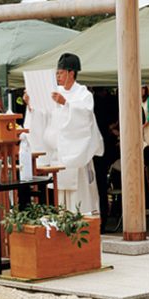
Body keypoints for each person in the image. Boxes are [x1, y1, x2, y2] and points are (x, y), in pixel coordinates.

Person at [24, 53, 105, 214]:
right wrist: (31, 105)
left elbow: (85, 116)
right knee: (60, 198)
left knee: (79, 199)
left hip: (76, 156)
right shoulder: (54, 92)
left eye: (60, 73)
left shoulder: (83, 94)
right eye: (56, 73)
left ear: (71, 73)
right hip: (57, 155)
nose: (57, 77)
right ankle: (62, 222)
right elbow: (43, 115)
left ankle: (81, 221)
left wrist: (66, 104)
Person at [92, 86, 120, 232]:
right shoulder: (98, 101)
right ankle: (101, 221)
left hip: (102, 150)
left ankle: (101, 221)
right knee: (99, 187)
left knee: (99, 187)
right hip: (102, 149)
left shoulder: (100, 101)